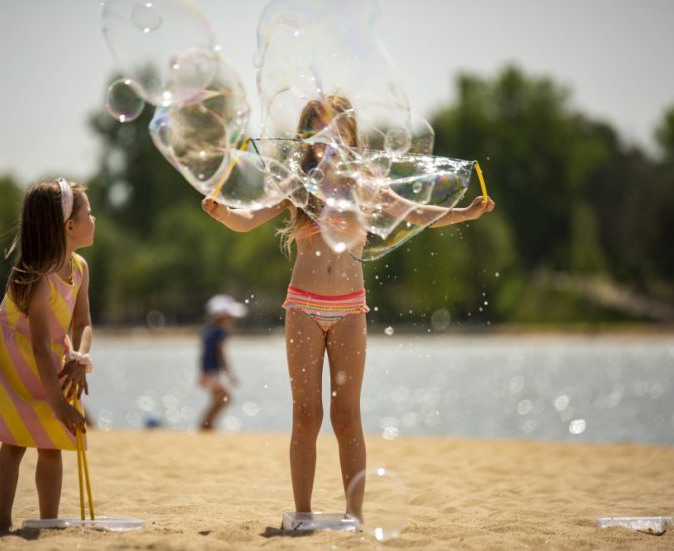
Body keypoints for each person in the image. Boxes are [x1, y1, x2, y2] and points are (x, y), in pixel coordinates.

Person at [201, 95, 495, 519]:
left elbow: (412, 213)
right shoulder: (298, 182)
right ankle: (302, 513)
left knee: (346, 415)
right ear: (306, 136)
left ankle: (353, 516)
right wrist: (220, 212)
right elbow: (248, 219)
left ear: (351, 134)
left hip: (351, 309)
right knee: (306, 414)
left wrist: (465, 213)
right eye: (318, 128)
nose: (328, 136)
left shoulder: (367, 182)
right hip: (303, 306)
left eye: (336, 128)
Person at [0, 178, 96, 537]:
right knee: (15, 442)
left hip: (49, 359)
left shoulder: (79, 268)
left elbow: (83, 321)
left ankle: (48, 520)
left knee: (51, 444)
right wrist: (59, 402)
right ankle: (1, 524)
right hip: (18, 358)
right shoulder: (36, 278)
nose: (95, 219)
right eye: (89, 213)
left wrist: (79, 354)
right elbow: (40, 345)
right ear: (69, 226)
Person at [198, 294, 246, 431]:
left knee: (219, 398)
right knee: (225, 398)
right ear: (222, 317)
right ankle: (206, 424)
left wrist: (202, 373)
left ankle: (207, 424)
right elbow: (221, 354)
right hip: (212, 372)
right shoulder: (220, 332)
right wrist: (230, 374)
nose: (232, 320)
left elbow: (203, 354)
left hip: (207, 371)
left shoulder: (207, 331)